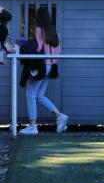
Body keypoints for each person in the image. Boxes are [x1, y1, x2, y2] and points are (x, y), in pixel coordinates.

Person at [19, 7, 68, 135]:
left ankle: (32, 126)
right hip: (51, 67)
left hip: (41, 66)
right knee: (39, 95)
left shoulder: (40, 30)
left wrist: (24, 43)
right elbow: (58, 52)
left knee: (30, 94)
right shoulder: (55, 32)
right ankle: (59, 116)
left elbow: (38, 47)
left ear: (39, 18)